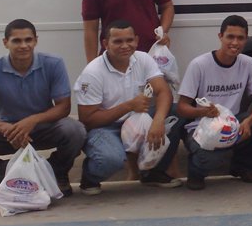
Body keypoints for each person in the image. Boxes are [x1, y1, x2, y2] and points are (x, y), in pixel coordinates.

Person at [0, 19, 86, 204]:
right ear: (5, 42)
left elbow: (63, 107)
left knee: (76, 131)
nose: (23, 45)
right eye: (16, 41)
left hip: (44, 128)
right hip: (7, 133)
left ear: (36, 40)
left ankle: (56, 174)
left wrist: (33, 121)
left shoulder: (53, 64)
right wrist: (5, 128)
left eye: (28, 40)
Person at [176, 15, 252, 190]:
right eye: (230, 37)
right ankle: (196, 173)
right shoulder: (199, 65)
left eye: (240, 38)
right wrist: (203, 112)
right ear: (220, 36)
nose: (235, 43)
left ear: (246, 40)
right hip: (202, 126)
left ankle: (242, 166)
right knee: (210, 157)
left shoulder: (248, 63)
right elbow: (181, 108)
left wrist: (248, 122)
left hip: (232, 122)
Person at [75, 20, 182, 194]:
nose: (125, 46)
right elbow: (88, 120)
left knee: (176, 113)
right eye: (117, 41)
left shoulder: (143, 58)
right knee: (111, 159)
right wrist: (128, 106)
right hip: (106, 128)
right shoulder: (92, 72)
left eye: (129, 40)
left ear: (137, 40)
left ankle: (152, 173)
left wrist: (159, 121)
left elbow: (163, 92)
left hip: (137, 120)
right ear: (105, 43)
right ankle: (90, 178)